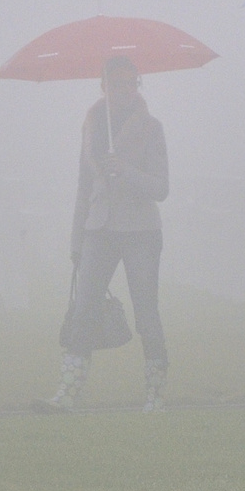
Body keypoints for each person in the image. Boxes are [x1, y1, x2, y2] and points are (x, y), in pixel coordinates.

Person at [40, 55, 170, 413]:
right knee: (83, 311)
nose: (126, 90)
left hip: (140, 231)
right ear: (104, 86)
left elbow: (161, 188)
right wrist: (75, 241)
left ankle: (155, 395)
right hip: (98, 230)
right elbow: (83, 187)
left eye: (133, 83)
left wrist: (125, 170)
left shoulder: (152, 127)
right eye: (118, 84)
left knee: (147, 314)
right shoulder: (92, 126)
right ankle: (67, 394)